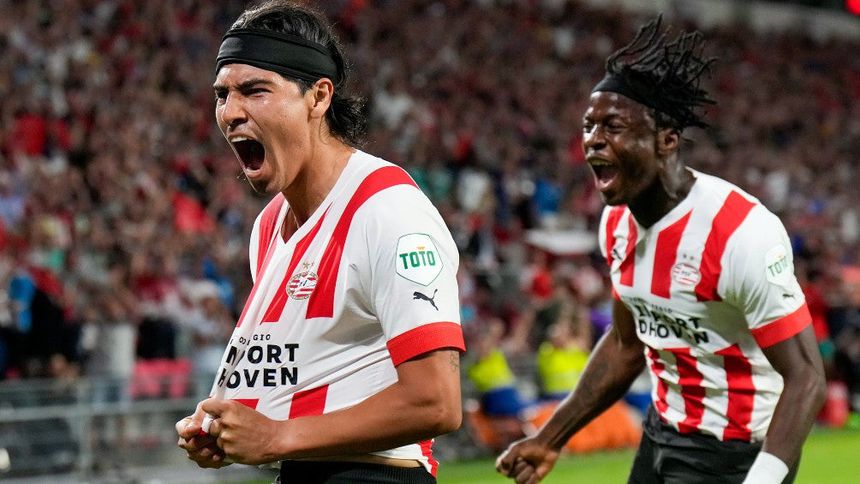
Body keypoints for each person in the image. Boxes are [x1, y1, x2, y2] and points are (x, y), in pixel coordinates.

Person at [496, 16, 826, 484]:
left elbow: (807, 378)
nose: (593, 140)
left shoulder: (739, 233)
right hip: (661, 433)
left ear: (666, 139)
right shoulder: (616, 222)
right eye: (588, 126)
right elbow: (626, 344)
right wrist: (550, 437)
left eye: (612, 126)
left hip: (735, 455)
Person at [175, 2, 465, 482]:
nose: (231, 112)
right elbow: (307, 375)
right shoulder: (269, 226)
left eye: (255, 90)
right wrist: (229, 429)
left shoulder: (388, 210)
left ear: (319, 96)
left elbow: (437, 402)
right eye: (222, 94)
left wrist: (276, 437)